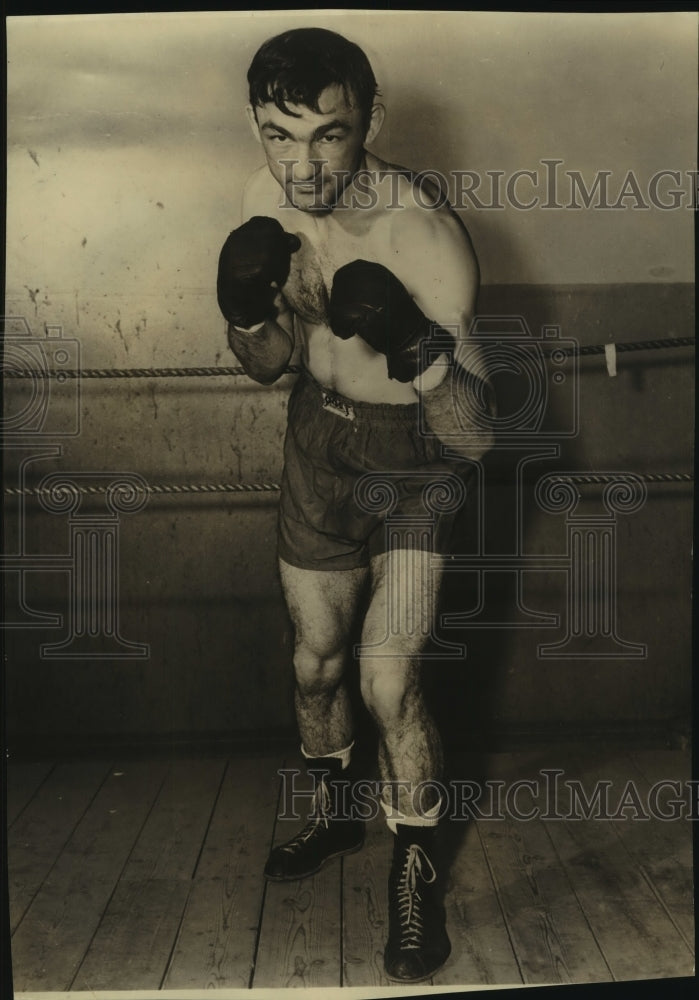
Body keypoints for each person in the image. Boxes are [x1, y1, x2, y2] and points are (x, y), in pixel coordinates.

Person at [216, 27, 494, 984]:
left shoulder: (423, 233)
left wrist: (414, 344)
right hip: (316, 444)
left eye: (327, 136)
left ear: (369, 120)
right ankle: (337, 821)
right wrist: (246, 310)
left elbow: (475, 436)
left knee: (388, 682)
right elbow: (270, 368)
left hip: (419, 460)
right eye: (278, 135)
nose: (301, 164)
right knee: (316, 665)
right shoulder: (266, 200)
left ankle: (414, 876)